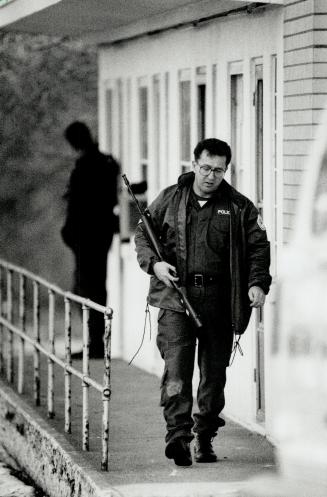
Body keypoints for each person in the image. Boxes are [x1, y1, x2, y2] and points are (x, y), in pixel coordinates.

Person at [134, 138, 271, 466]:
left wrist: (257, 283)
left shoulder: (239, 207)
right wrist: (155, 265)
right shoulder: (171, 199)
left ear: (227, 170)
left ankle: (204, 436)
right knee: (176, 371)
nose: (211, 176)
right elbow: (143, 235)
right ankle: (178, 436)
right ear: (193, 165)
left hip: (220, 301)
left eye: (219, 170)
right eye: (206, 168)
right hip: (176, 297)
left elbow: (258, 247)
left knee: (213, 375)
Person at [61, 121, 119, 359]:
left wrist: (69, 232)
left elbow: (78, 205)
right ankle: (95, 342)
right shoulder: (106, 163)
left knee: (88, 289)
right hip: (98, 234)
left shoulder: (87, 166)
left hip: (88, 237)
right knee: (92, 288)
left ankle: (96, 344)